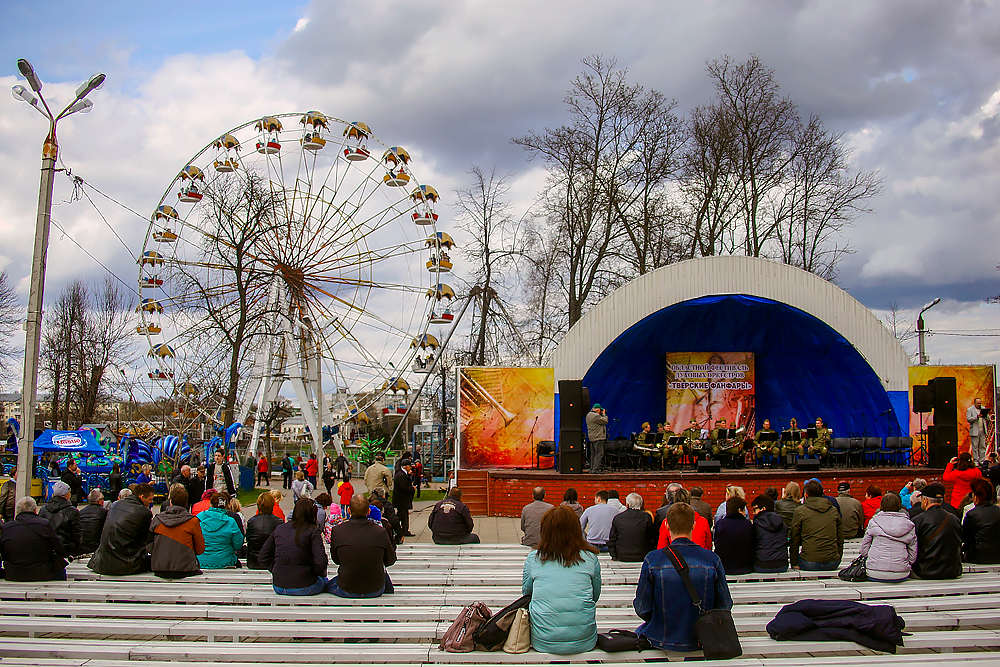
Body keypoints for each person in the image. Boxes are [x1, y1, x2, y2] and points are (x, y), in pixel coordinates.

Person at [635, 502, 733, 652]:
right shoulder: (712, 559)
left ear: (666, 525)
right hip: (702, 637)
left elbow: (642, 607)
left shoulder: (653, 559)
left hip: (662, 636)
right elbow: (725, 604)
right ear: (693, 525)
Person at [522, 505, 602, 654]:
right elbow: (594, 596)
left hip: (543, 639)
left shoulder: (534, 559)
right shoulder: (591, 559)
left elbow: (527, 594)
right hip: (584, 638)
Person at [258, 497, 331, 595]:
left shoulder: (280, 529)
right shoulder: (312, 531)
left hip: (279, 585)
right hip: (304, 585)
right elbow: (321, 561)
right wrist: (313, 573)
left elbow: (263, 557)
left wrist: (276, 569)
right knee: (327, 582)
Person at [328, 494, 397, 597]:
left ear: (349, 511)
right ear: (368, 511)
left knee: (326, 584)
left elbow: (336, 560)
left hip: (347, 587)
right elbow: (390, 560)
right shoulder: (380, 531)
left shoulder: (338, 531)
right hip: (375, 588)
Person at [89, 482, 154, 575]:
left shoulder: (115, 505)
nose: (151, 502)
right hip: (124, 564)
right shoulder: (144, 512)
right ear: (142, 497)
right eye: (150, 499)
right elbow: (146, 540)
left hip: (102, 562)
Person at [0, 497, 67, 581]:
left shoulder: (7, 527)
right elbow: (60, 549)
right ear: (35, 510)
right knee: (61, 571)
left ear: (17, 511)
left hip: (13, 574)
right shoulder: (44, 525)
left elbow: (3, 553)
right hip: (42, 573)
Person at [148, 485, 204, 579]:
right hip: (186, 569)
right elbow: (200, 549)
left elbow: (149, 547)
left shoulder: (157, 520)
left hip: (160, 569)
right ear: (186, 502)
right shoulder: (192, 521)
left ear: (170, 501)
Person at [858, 492, 916, 583]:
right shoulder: (909, 525)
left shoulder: (874, 522)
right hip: (901, 573)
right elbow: (912, 555)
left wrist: (872, 559)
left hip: (874, 572)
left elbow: (864, 550)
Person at [911, 482, 963, 579]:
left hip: (926, 570)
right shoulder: (954, 519)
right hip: (952, 571)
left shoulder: (919, 520)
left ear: (925, 500)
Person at [790, 479, 843, 571]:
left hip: (809, 562)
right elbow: (840, 538)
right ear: (822, 494)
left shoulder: (800, 511)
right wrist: (838, 557)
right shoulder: (833, 511)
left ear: (806, 495)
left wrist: (794, 563)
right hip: (833, 562)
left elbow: (794, 538)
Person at [196, 491, 244, 569]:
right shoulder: (230, 521)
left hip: (201, 561)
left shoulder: (199, 518)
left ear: (211, 504)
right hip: (225, 562)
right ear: (226, 505)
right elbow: (238, 544)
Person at [38, 480, 82, 557]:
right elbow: (77, 533)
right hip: (67, 548)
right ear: (66, 495)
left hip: (47, 548)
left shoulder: (43, 509)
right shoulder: (72, 511)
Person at [962, 478, 1000, 564]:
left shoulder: (972, 514)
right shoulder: (998, 511)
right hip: (998, 555)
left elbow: (965, 537)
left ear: (975, 496)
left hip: (977, 556)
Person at [714, 497, 754, 574]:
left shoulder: (720, 524)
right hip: (745, 567)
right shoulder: (748, 525)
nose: (745, 514)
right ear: (739, 510)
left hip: (724, 567)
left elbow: (716, 542)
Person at [608, 492, 654, 562]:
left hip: (622, 555)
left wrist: (614, 556)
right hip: (642, 555)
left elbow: (612, 539)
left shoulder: (618, 518)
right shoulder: (646, 517)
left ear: (627, 504)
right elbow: (651, 538)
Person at [751, 495, 788, 573]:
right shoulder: (782, 523)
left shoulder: (757, 524)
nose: (754, 513)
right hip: (782, 564)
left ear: (763, 508)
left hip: (762, 564)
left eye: (755, 509)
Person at [246, 491, 283, 569]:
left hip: (253, 562)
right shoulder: (279, 522)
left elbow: (248, 539)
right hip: (272, 562)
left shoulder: (251, 522)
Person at [77, 489, 108, 555]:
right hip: (97, 545)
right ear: (99, 501)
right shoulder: (104, 512)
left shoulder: (81, 512)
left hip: (82, 544)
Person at [393, 461, 415, 537]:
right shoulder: (402, 475)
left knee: (404, 515)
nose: (411, 467)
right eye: (409, 465)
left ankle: (404, 530)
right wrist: (412, 488)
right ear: (405, 466)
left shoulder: (402, 474)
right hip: (402, 499)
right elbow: (404, 487)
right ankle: (394, 526)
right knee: (401, 515)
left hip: (401, 500)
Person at [586, 403, 609, 473]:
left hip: (592, 437)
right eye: (600, 410)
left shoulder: (588, 415)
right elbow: (605, 421)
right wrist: (604, 414)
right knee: (599, 453)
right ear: (597, 410)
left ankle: (592, 468)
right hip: (598, 437)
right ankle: (595, 469)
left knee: (593, 454)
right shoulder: (596, 416)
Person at [967, 397, 988, 461]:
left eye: (980, 403)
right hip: (975, 430)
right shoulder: (970, 409)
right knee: (975, 446)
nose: (979, 405)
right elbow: (968, 419)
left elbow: (988, 418)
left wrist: (985, 415)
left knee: (982, 446)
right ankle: (976, 460)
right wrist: (976, 417)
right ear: (974, 403)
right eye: (978, 403)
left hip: (982, 430)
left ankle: (982, 460)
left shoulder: (983, 408)